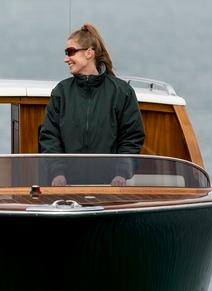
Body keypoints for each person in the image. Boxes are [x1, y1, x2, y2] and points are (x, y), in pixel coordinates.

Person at [39, 23, 145, 186]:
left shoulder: (121, 92)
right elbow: (49, 136)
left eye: (70, 52)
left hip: (109, 189)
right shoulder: (61, 92)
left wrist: (121, 174)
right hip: (67, 189)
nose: (66, 59)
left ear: (89, 53)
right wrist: (57, 173)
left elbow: (131, 137)